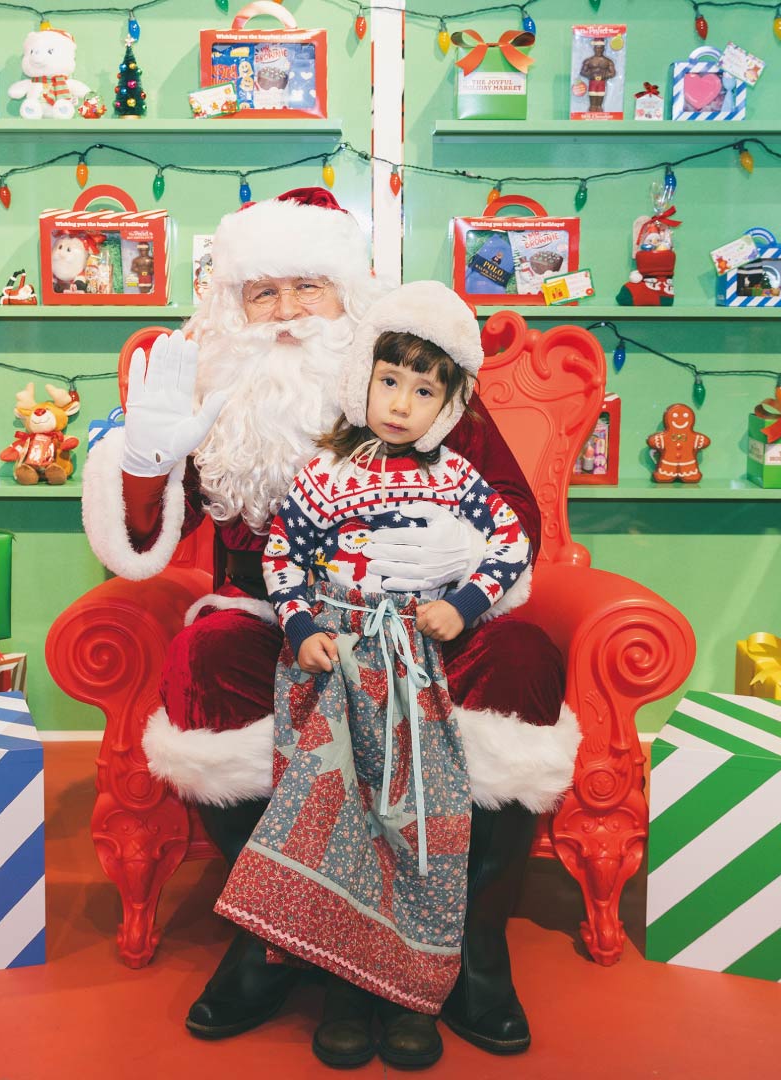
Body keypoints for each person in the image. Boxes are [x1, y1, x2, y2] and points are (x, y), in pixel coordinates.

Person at [81, 188, 581, 1057]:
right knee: (204, 660)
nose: (285, 316)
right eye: (262, 294)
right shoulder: (210, 388)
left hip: (425, 621)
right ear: (233, 308)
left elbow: (512, 513)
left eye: (307, 289)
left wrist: (443, 570)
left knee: (526, 658)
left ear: (349, 296)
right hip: (272, 610)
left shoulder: (413, 376)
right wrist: (145, 461)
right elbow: (143, 539)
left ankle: (471, 943)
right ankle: (274, 937)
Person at [215, 281, 531, 1068]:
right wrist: (300, 623)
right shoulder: (326, 474)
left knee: (416, 818)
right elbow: (282, 554)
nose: (401, 403)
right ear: (364, 380)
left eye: (424, 391)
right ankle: (343, 985)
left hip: (411, 673)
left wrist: (463, 599)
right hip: (333, 668)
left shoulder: (456, 478)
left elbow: (511, 544)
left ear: (448, 407)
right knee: (337, 819)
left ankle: (411, 991)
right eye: (390, 381)